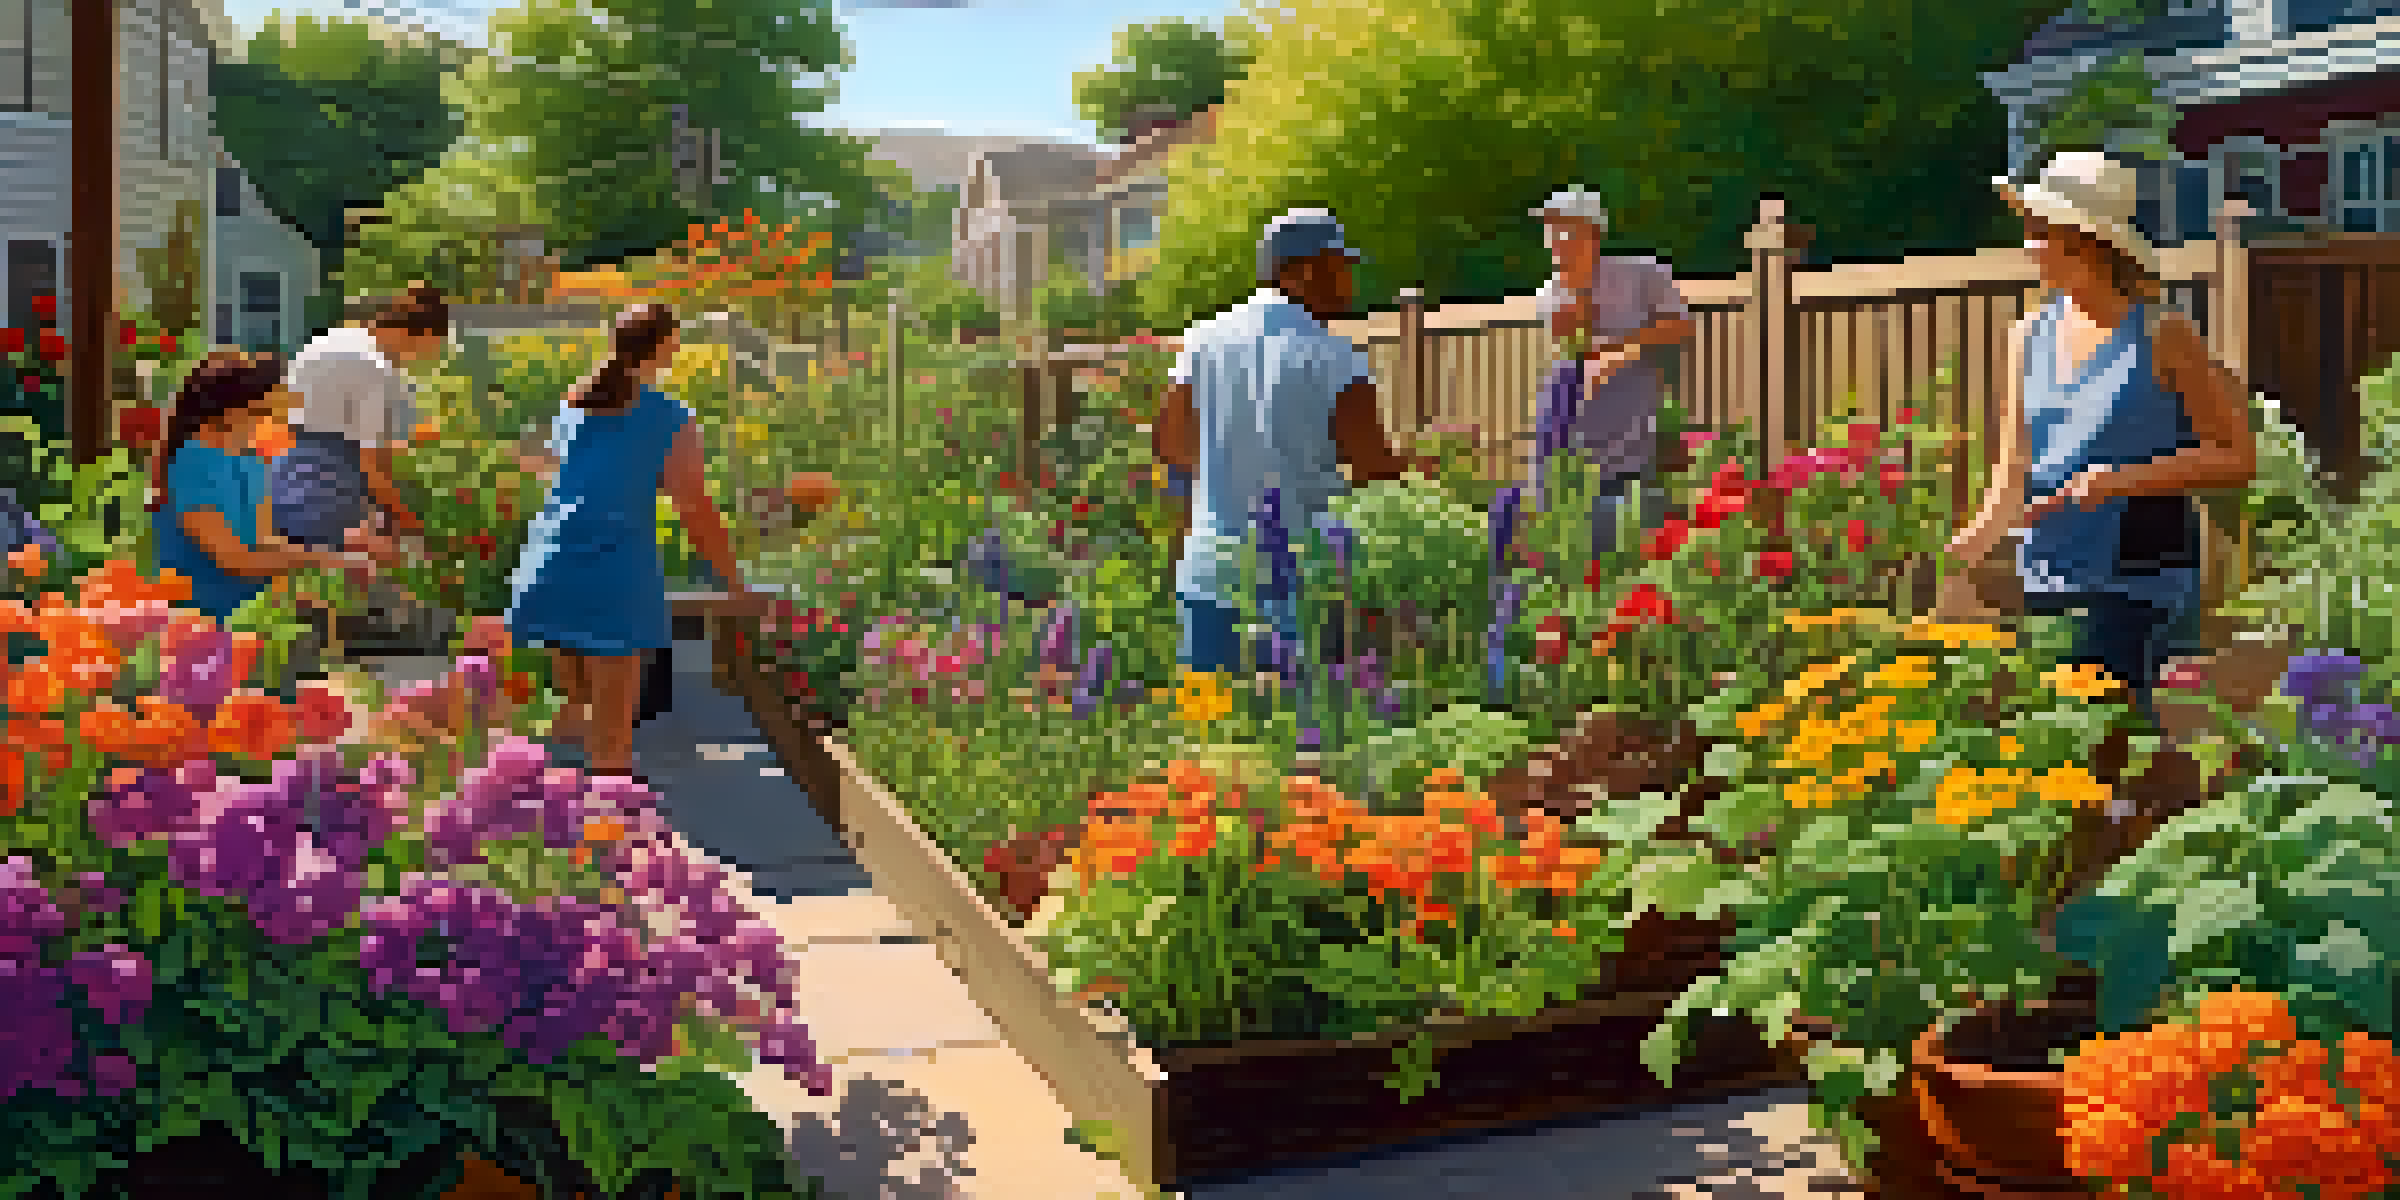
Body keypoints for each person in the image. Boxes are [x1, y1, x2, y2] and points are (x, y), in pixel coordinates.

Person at [1944, 150, 2255, 725]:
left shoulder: (2162, 333)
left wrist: (2122, 479)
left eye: (2040, 232)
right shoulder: (2026, 337)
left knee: (2119, 742)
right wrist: (1970, 544)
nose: (2029, 247)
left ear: (2085, 242)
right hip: (2049, 574)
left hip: (2141, 578)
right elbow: (2014, 468)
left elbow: (2236, 457)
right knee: (2057, 742)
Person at [1154, 208, 1436, 675]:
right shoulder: (1333, 356)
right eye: (1339, 268)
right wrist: (1417, 473)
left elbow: (1171, 443)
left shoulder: (1203, 341)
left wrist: (1237, 469)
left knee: (1207, 713)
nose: (1349, 283)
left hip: (1210, 574)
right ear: (1300, 272)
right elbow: (1373, 472)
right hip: (1304, 578)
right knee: (1303, 714)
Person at [504, 303, 772, 777]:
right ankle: (609, 820)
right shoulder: (669, 417)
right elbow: (694, 507)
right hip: (613, 570)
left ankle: (540, 814)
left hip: (549, 563)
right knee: (610, 748)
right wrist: (734, 582)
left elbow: (563, 470)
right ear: (666, 347)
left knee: (570, 723)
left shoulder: (575, 404)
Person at [1529, 187, 1697, 558]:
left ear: (1592, 232)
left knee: (1636, 528)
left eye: (1565, 229)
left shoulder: (1644, 274)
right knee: (1572, 529)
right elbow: (1579, 346)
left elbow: (1681, 327)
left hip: (1636, 421)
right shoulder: (1551, 293)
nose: (1555, 240)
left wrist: (1626, 347)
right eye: (1550, 230)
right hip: (1573, 426)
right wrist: (1576, 289)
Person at [151, 351, 365, 621]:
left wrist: (332, 560)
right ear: (228, 410)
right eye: (259, 412)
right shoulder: (192, 462)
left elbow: (266, 541)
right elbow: (235, 559)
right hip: (199, 619)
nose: (267, 422)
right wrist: (320, 560)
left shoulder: (252, 461)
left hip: (252, 613)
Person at [272, 281, 447, 553]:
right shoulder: (374, 367)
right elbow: (372, 464)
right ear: (420, 335)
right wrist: (411, 527)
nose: (420, 359)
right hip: (328, 499)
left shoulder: (332, 340)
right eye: (428, 350)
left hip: (285, 484)